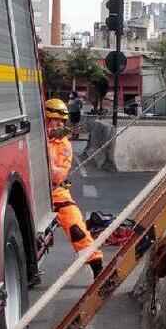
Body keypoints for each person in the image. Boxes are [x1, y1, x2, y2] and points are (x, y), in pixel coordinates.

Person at [45, 98, 104, 278]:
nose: (58, 125)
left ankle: (97, 266)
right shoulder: (35, 136)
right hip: (32, 193)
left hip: (56, 192)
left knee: (76, 228)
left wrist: (43, 153)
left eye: (61, 122)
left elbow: (57, 176)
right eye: (54, 121)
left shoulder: (64, 145)